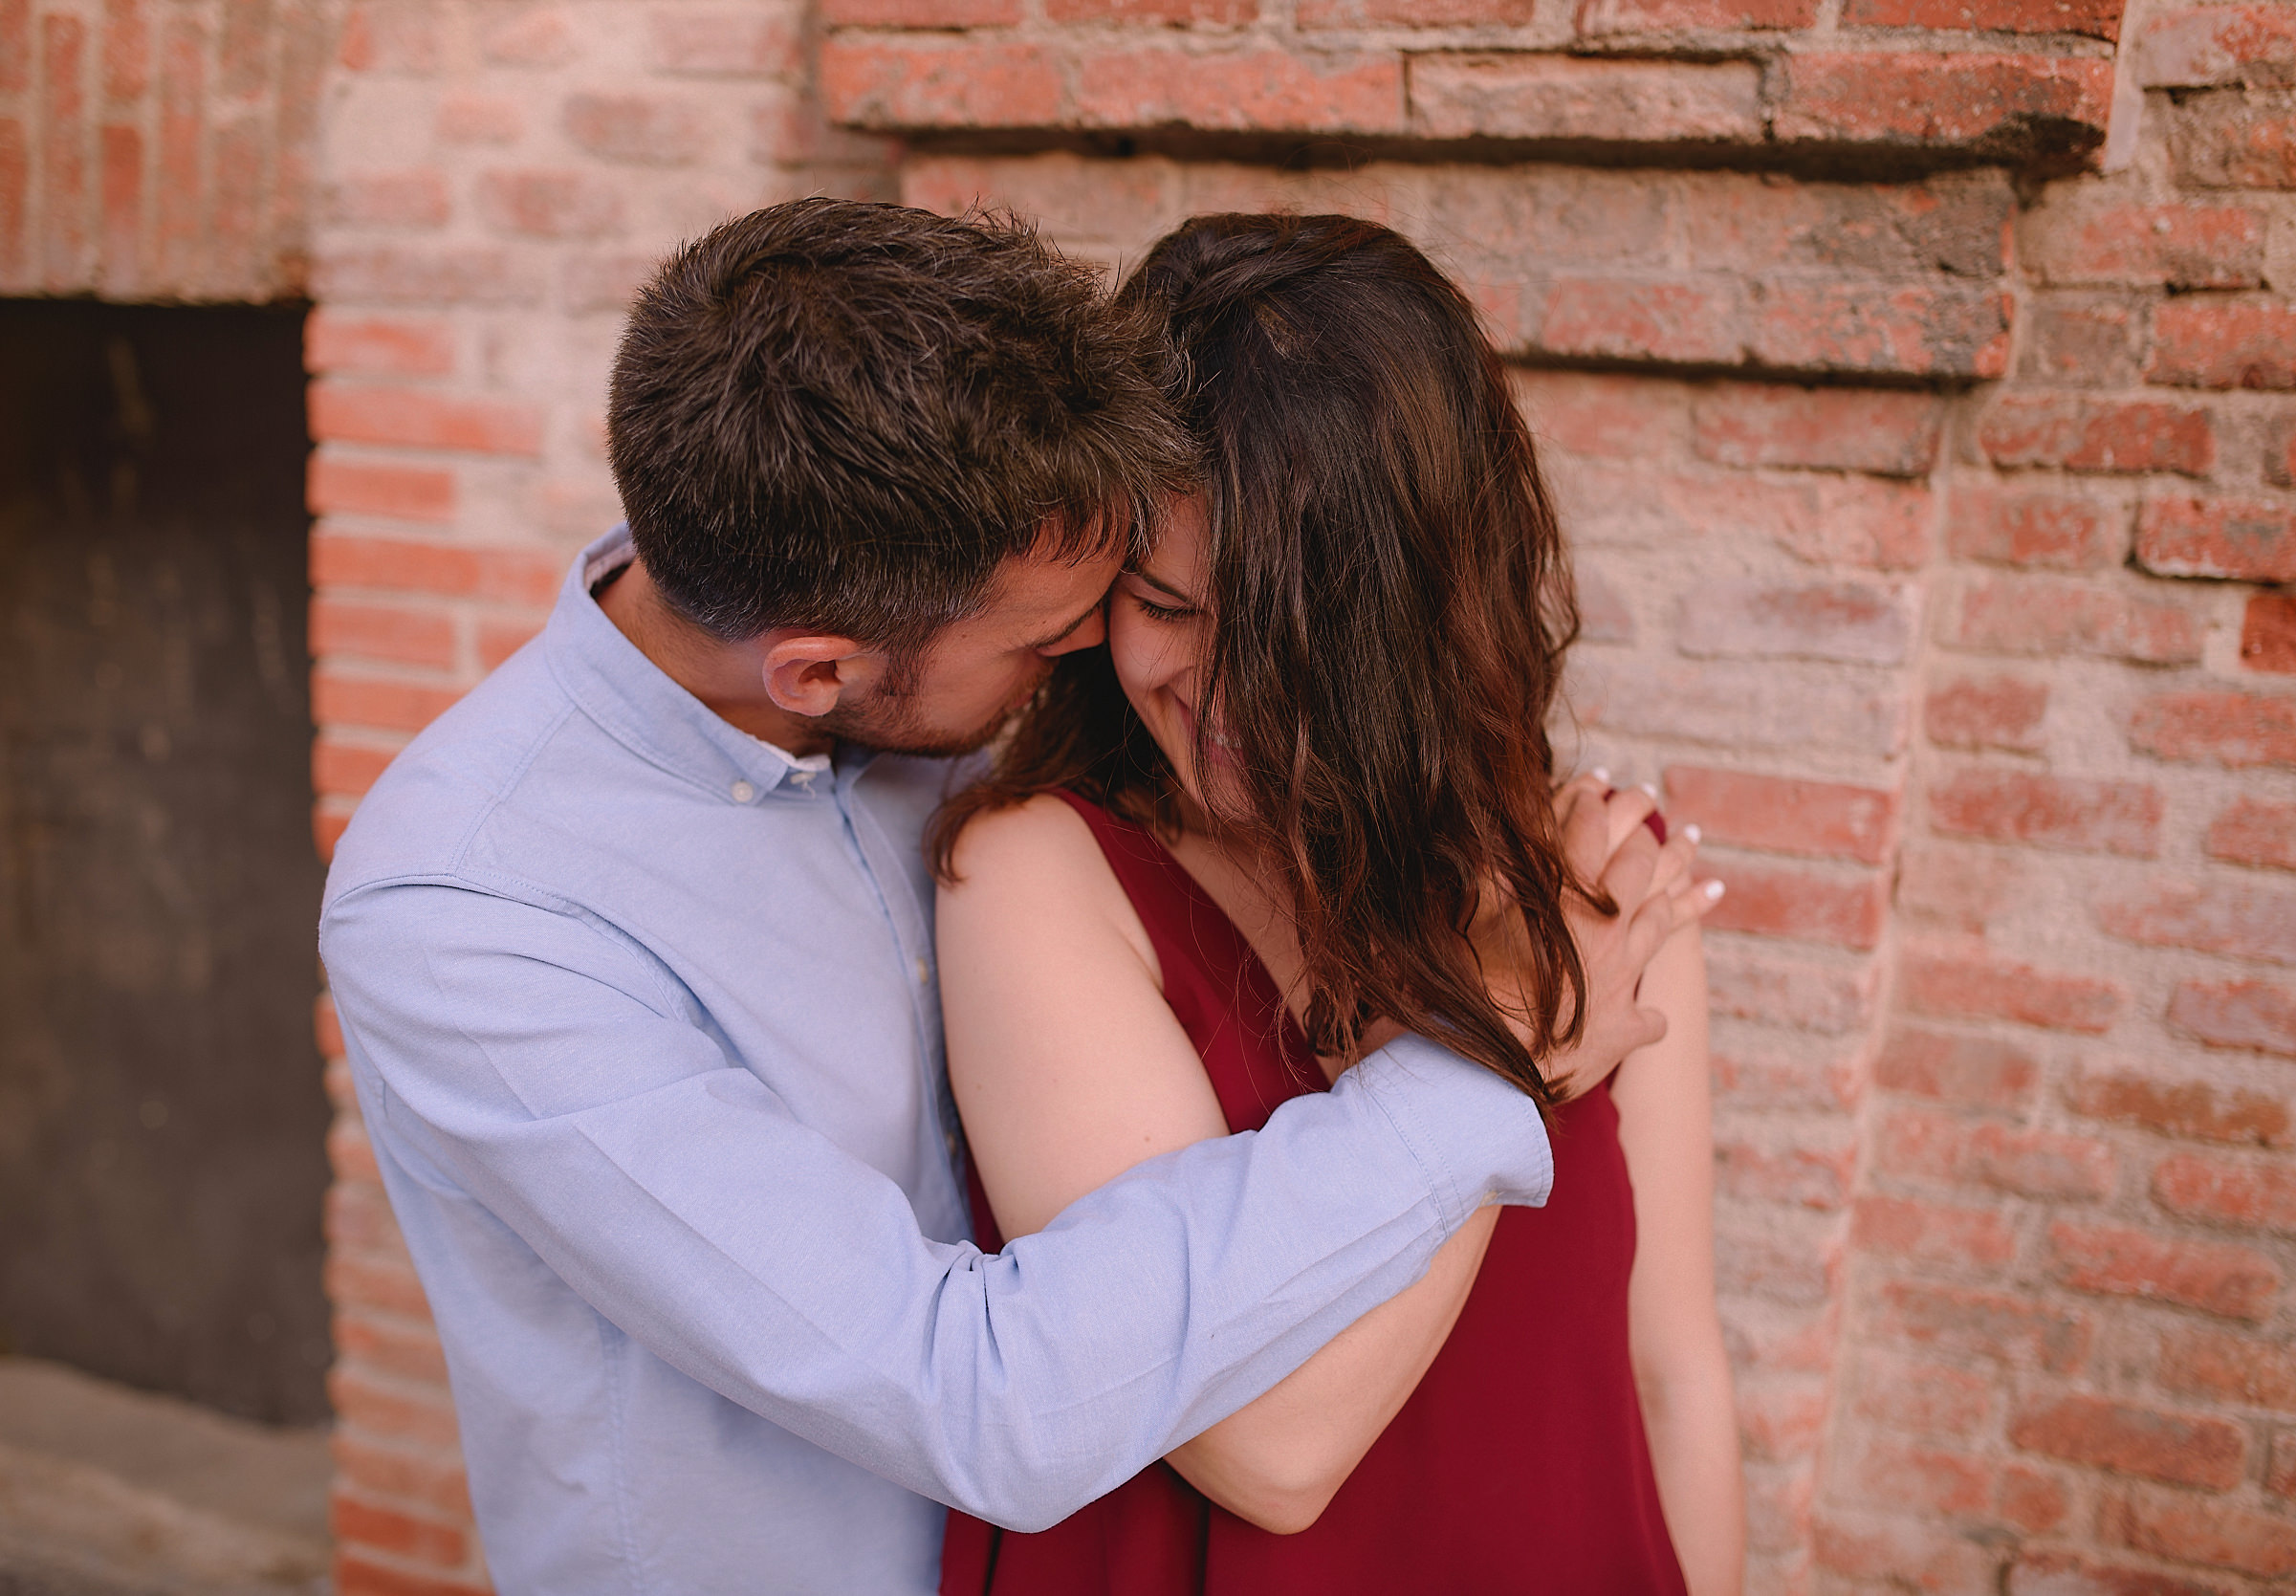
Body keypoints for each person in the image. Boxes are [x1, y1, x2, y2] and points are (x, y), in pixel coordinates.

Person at [317, 198, 1712, 1595]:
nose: (1096, 668)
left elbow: (1665, 1362)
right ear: (820, 669)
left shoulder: (930, 650)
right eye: (1061, 641)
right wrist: (1497, 1047)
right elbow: (980, 1392)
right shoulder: (469, 916)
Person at [933, 213, 1743, 1595]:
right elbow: (1265, 1448)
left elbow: (1669, 1364)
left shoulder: (1591, 875)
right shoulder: (1033, 874)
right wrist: (1515, 1035)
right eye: (1166, 604)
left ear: (1423, 610)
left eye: (1291, 630)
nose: (1222, 694)